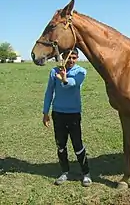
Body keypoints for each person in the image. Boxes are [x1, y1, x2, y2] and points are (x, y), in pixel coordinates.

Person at [42, 47, 92, 187]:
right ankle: (64, 172)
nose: (71, 60)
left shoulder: (81, 72)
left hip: (73, 114)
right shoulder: (54, 71)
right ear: (63, 57)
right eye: (68, 57)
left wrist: (64, 79)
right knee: (61, 145)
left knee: (78, 145)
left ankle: (86, 173)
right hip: (58, 113)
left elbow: (73, 85)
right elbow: (49, 92)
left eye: (74, 57)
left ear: (77, 58)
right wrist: (45, 113)